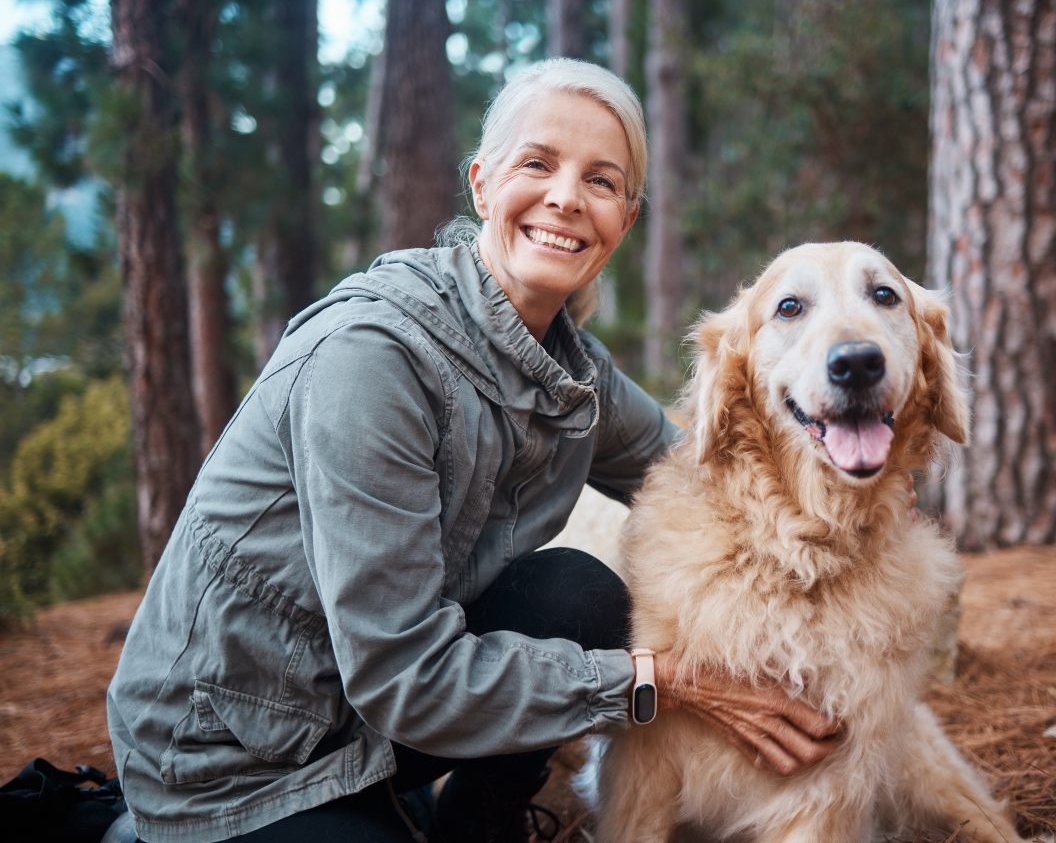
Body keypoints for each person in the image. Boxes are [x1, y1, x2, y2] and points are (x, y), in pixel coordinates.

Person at [106, 59, 840, 843]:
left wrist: (841, 441)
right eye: (538, 163)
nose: (565, 196)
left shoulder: (573, 373)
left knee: (576, 594)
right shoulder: (372, 361)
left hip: (364, 714)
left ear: (625, 219)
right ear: (482, 184)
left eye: (600, 180)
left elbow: (709, 473)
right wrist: (664, 682)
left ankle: (470, 828)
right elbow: (404, 677)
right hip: (234, 748)